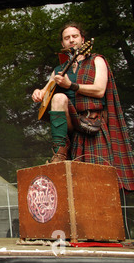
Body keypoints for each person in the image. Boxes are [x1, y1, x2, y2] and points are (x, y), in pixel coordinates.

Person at [32, 22, 134, 190]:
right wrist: (37, 93)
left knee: (100, 182)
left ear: (83, 39)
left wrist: (71, 85)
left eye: (75, 36)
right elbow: (44, 93)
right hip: (71, 123)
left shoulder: (97, 60)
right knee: (57, 97)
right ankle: (59, 154)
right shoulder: (59, 69)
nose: (71, 40)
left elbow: (100, 90)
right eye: (67, 38)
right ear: (62, 44)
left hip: (91, 123)